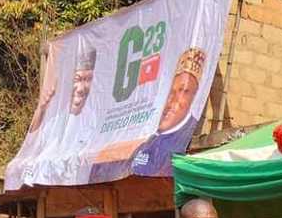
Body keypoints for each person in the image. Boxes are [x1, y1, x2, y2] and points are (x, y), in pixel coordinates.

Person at [89, 48, 207, 182]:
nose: (172, 101)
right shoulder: (145, 129)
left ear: (195, 96)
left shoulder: (182, 140)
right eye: (171, 91)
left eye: (184, 91)